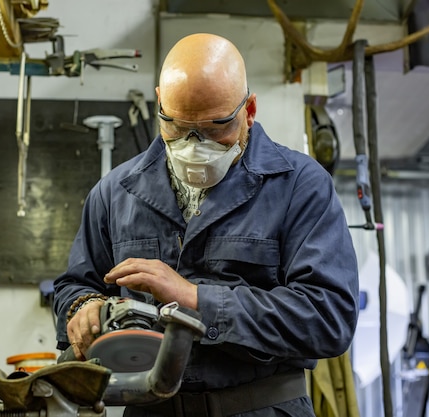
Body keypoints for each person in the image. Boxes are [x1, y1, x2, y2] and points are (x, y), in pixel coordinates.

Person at [53, 32, 359, 417]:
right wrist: (84, 306)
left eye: (215, 129)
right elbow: (74, 285)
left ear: (248, 111)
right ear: (160, 102)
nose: (194, 146)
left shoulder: (300, 186)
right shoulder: (115, 192)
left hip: (262, 408)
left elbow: (328, 318)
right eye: (177, 127)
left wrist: (196, 300)